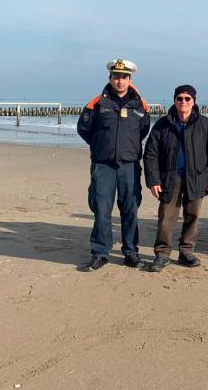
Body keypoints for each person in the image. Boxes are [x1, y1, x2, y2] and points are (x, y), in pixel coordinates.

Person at [77, 59, 150, 271]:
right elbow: (84, 129)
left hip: (129, 165)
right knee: (101, 209)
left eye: (124, 77)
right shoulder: (97, 103)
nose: (120, 80)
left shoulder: (140, 105)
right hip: (103, 165)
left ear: (130, 79)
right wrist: (101, 146)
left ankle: (130, 252)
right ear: (110, 78)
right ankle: (100, 252)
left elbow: (142, 131)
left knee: (130, 209)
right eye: (116, 76)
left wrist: (126, 148)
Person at [144, 85, 208, 272]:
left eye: (187, 98)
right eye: (179, 98)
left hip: (197, 178)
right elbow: (150, 153)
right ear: (174, 101)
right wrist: (153, 180)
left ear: (194, 101)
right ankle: (162, 254)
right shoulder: (162, 124)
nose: (183, 102)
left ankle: (186, 252)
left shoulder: (205, 124)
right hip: (169, 178)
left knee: (193, 216)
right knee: (166, 217)